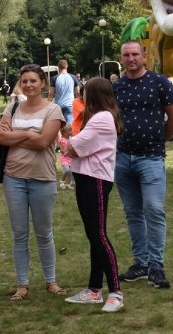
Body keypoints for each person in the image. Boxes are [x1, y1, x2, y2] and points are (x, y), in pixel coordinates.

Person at [113, 40, 173, 289]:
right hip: (122, 158)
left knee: (153, 209)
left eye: (135, 54)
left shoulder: (159, 82)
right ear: (121, 58)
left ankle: (156, 265)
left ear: (144, 56)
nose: (131, 58)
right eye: (126, 55)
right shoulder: (117, 87)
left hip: (151, 157)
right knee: (133, 213)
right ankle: (140, 263)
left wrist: (162, 138)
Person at [0, 64, 68, 302]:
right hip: (13, 177)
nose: (28, 85)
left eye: (33, 81)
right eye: (24, 81)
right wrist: (29, 134)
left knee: (44, 233)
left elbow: (44, 142)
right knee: (19, 234)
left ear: (43, 84)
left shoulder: (54, 110)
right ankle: (22, 284)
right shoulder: (12, 106)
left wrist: (18, 137)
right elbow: (0, 137)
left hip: (43, 179)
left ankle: (51, 281)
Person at [61, 77, 125, 312]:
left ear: (94, 95)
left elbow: (74, 148)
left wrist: (64, 139)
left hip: (96, 180)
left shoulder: (101, 119)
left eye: (84, 93)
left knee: (98, 235)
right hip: (88, 178)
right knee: (93, 235)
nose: (81, 96)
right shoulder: (100, 117)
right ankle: (94, 289)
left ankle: (116, 292)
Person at [50, 59, 76, 124]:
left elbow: (51, 94)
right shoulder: (73, 77)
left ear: (58, 67)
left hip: (58, 105)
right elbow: (78, 92)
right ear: (67, 66)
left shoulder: (54, 78)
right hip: (70, 104)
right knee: (70, 125)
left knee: (59, 125)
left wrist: (48, 105)